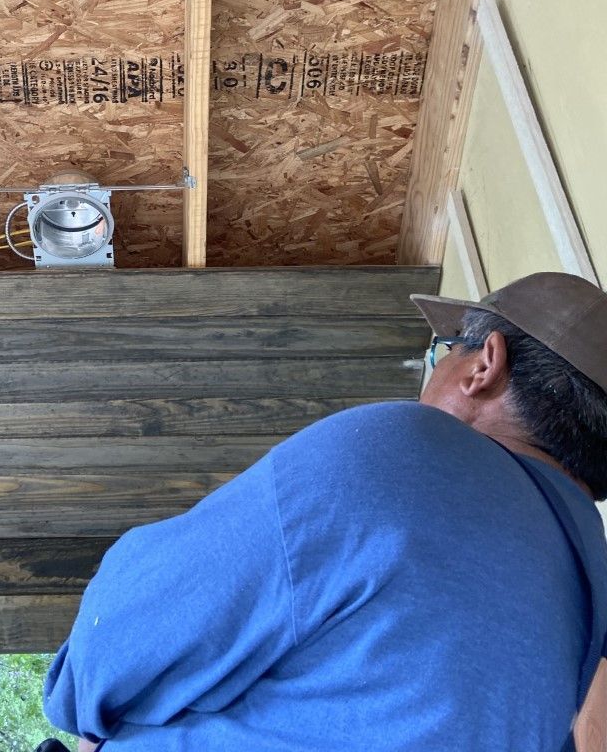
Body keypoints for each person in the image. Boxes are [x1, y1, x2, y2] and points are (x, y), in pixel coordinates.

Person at [42, 271, 607, 751]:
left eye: (442, 351)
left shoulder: (409, 449)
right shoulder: (589, 599)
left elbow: (123, 634)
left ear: (485, 363)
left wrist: (88, 710)